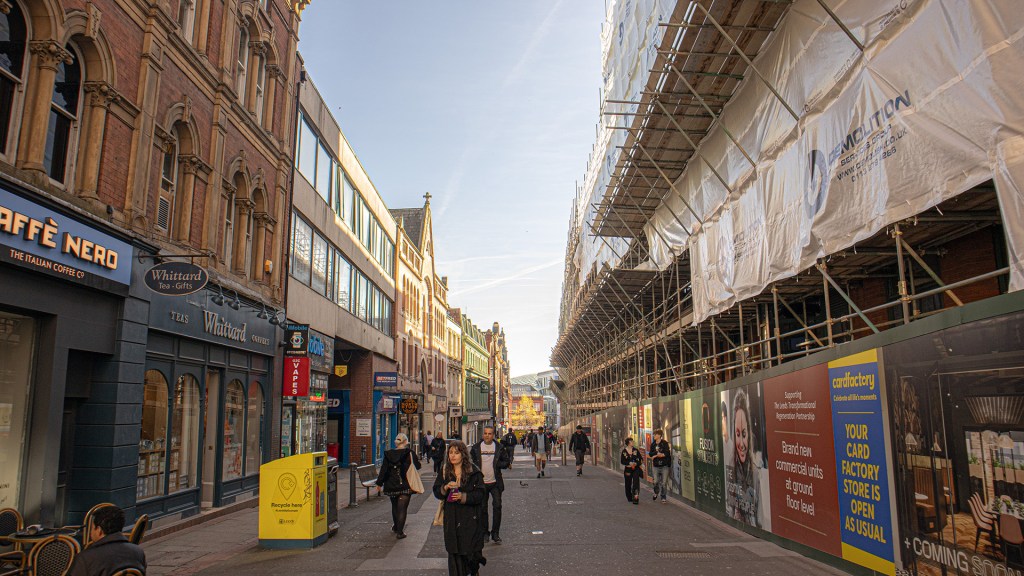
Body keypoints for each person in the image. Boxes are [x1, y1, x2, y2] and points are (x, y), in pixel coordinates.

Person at [433, 440, 487, 576]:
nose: (453, 456)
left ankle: (473, 571)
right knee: (454, 553)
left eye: (456, 453)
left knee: (469, 552)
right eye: (450, 452)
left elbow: (481, 494)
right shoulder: (445, 471)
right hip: (451, 519)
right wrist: (444, 488)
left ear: (463, 454)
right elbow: (436, 491)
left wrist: (463, 497)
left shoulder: (474, 472)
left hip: (470, 519)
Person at [66, 505, 146, 576]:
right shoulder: (138, 552)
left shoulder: (86, 558)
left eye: (92, 528)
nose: (90, 532)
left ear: (99, 530)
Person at [375, 433, 422, 539]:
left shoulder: (388, 454)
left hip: (391, 484)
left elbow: (384, 470)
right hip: (405, 483)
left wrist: (379, 483)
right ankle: (400, 532)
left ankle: (396, 527)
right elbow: (418, 466)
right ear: (405, 442)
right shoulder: (409, 453)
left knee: (395, 506)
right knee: (402, 508)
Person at [726, 389, 762, 527]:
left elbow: (759, 519)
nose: (741, 443)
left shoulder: (755, 472)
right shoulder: (730, 467)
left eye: (744, 434)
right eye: (737, 434)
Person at [470, 426, 511, 545]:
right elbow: (471, 463)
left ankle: (495, 533)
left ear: (493, 435)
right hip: (481, 483)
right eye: (485, 433)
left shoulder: (499, 447)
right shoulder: (476, 448)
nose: (487, 436)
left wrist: (498, 464)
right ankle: (485, 533)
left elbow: (506, 461)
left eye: (489, 434)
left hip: (495, 483)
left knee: (497, 507)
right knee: (482, 509)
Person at [649, 428, 671, 503]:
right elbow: (650, 454)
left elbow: (667, 453)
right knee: (656, 482)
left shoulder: (664, 443)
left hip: (664, 466)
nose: (653, 436)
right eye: (654, 434)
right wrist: (656, 453)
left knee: (664, 483)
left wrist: (662, 455)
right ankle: (656, 492)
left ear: (659, 435)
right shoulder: (653, 444)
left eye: (655, 434)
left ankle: (663, 497)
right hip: (656, 466)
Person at [621, 437, 643, 505]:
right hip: (628, 469)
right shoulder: (624, 451)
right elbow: (622, 461)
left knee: (636, 483)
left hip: (635, 469)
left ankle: (636, 497)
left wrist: (636, 463)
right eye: (631, 441)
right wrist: (629, 463)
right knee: (628, 484)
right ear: (628, 443)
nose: (633, 442)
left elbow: (640, 459)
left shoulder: (635, 450)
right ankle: (629, 497)